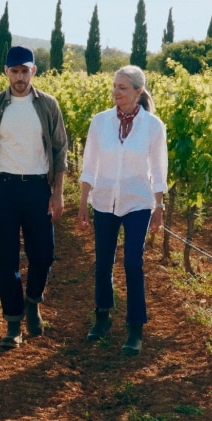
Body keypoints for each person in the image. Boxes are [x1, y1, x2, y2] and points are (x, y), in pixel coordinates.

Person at [0, 45, 68, 349]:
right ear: (6, 72)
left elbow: (61, 150)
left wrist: (58, 193)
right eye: (15, 71)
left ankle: (33, 302)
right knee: (5, 257)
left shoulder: (48, 105)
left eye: (25, 71)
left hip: (38, 188)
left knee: (44, 253)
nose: (20, 77)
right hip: (4, 189)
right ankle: (13, 323)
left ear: (34, 71)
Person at [77, 65, 167, 356]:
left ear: (138, 92)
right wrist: (82, 203)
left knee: (132, 263)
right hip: (104, 200)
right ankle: (102, 317)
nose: (115, 92)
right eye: (114, 86)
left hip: (138, 201)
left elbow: (158, 169)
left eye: (122, 88)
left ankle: (135, 329)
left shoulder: (153, 126)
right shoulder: (100, 122)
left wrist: (159, 205)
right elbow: (89, 165)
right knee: (102, 262)